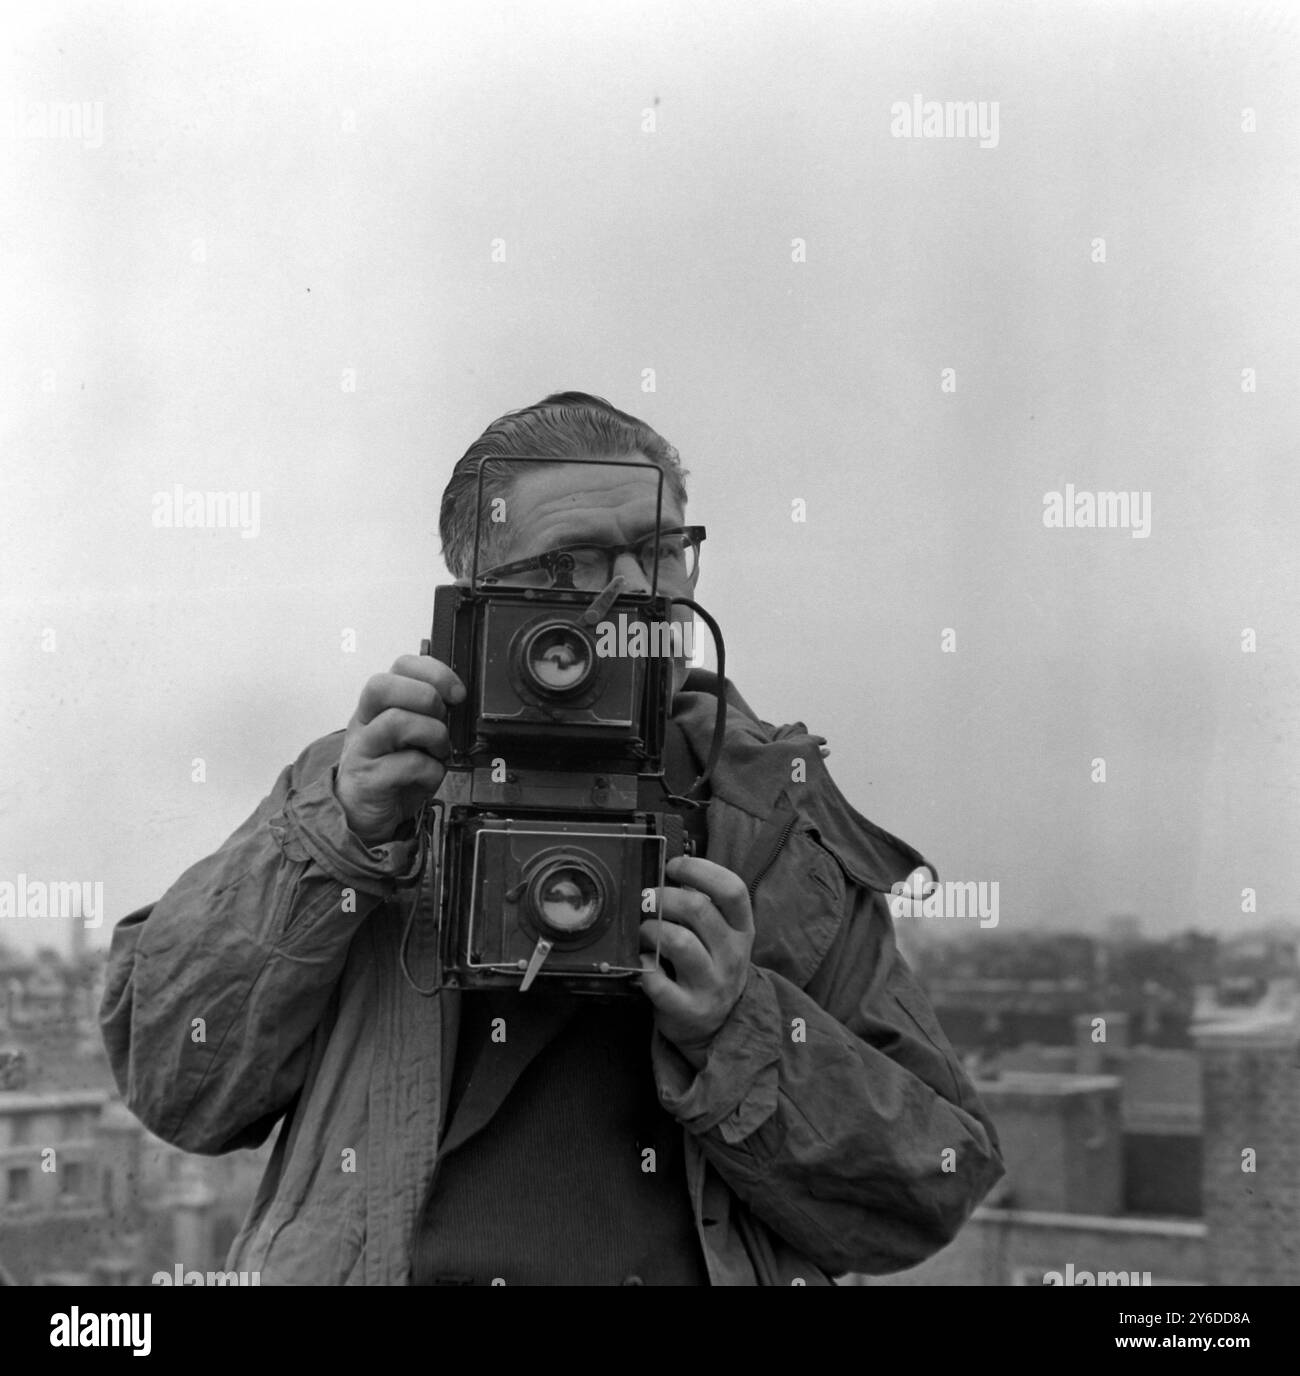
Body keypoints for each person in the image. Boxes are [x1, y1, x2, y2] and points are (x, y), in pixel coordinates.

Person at [100, 392, 1003, 1285]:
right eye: (571, 563)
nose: (633, 591)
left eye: (658, 551)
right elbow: (177, 1083)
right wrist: (337, 836)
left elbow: (929, 1187)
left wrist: (741, 1028)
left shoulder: (771, 819)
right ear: (476, 592)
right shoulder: (376, 780)